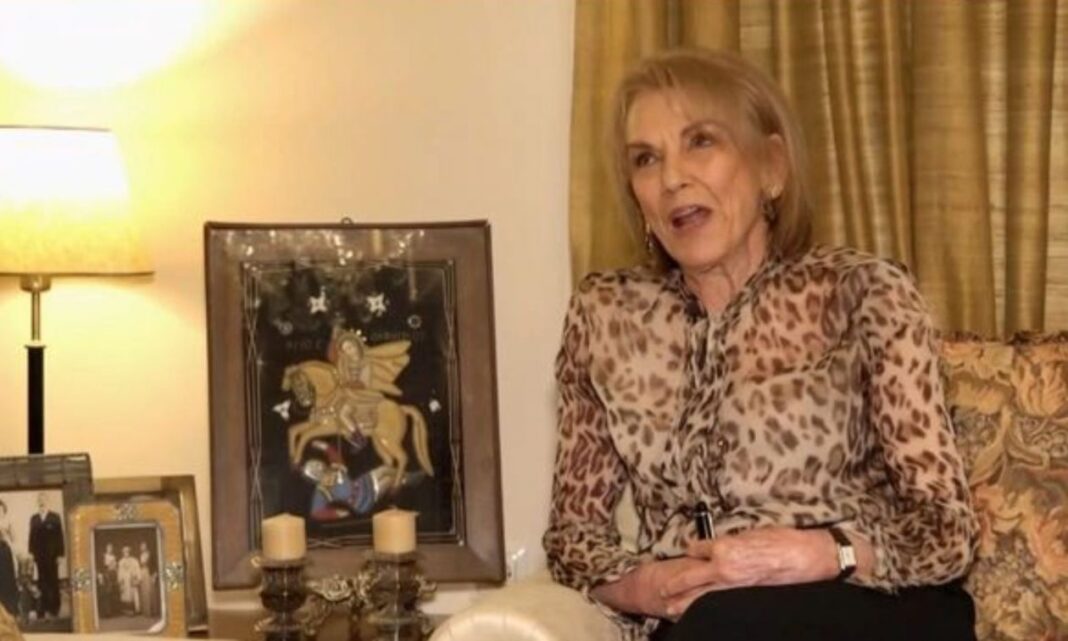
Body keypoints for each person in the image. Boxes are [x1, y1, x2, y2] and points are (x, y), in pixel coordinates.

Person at [542, 48, 977, 641]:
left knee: (725, 623)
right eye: (646, 159)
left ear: (771, 167)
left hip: (871, 602)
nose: (672, 179)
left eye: (701, 142)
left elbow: (946, 532)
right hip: (700, 620)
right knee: (716, 622)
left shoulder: (862, 294)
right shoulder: (605, 317)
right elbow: (572, 538)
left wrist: (818, 552)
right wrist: (649, 586)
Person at [28, 492, 64, 620]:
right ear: (37, 502)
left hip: (52, 556)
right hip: (39, 556)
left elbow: (60, 537)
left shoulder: (55, 517)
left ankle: (54, 608)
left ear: (48, 501)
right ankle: (43, 608)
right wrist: (31, 553)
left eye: (44, 499)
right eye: (40, 500)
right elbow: (31, 537)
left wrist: (60, 554)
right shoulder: (34, 518)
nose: (41, 502)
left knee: (53, 582)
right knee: (42, 582)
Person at [0, 500, 18, 617]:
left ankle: (10, 610)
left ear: (4, 510)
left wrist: (5, 535)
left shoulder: (8, 522)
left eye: (0, 510)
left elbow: (14, 539)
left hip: (5, 553)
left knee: (8, 581)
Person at [116, 546, 141, 615]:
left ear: (130, 552)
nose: (126, 553)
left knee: (133, 594)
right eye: (124, 552)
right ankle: (126, 610)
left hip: (131, 579)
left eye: (127, 552)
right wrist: (120, 580)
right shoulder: (121, 561)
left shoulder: (134, 560)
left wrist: (137, 578)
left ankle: (134, 610)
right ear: (123, 553)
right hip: (124, 581)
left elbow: (137, 569)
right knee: (125, 595)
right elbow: (119, 572)